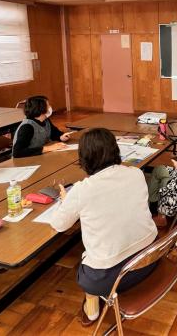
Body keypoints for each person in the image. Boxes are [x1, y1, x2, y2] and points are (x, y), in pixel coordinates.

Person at [50, 128, 157, 327]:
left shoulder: (83, 190)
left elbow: (59, 225)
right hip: (150, 258)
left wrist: (66, 201)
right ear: (115, 150)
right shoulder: (136, 173)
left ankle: (92, 307)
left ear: (84, 158)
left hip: (111, 279)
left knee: (86, 272)